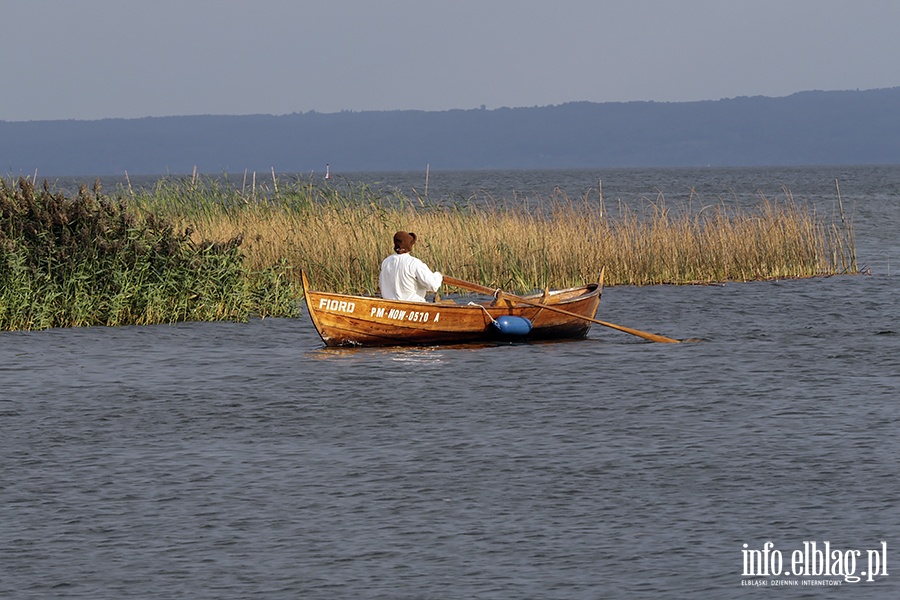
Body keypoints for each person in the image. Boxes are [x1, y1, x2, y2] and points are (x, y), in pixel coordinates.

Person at [379, 231, 443, 302]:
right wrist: (438, 275)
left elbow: (381, 284)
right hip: (413, 305)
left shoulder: (386, 262)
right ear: (410, 246)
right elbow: (433, 285)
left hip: (389, 306)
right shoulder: (414, 263)